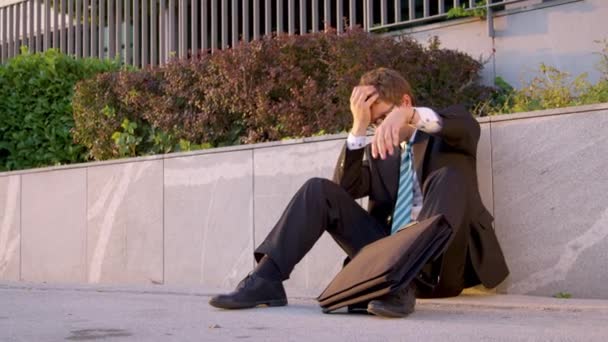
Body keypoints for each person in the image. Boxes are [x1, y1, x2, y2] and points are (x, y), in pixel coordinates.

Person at [209, 68, 509, 318]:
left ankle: (401, 280)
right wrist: (358, 128)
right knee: (318, 189)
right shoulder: (381, 152)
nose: (381, 128)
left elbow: (464, 128)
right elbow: (341, 192)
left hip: (439, 267)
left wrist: (408, 116)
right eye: (375, 123)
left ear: (405, 101)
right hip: (385, 263)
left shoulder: (448, 133)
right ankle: (266, 279)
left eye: (384, 117)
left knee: (449, 177)